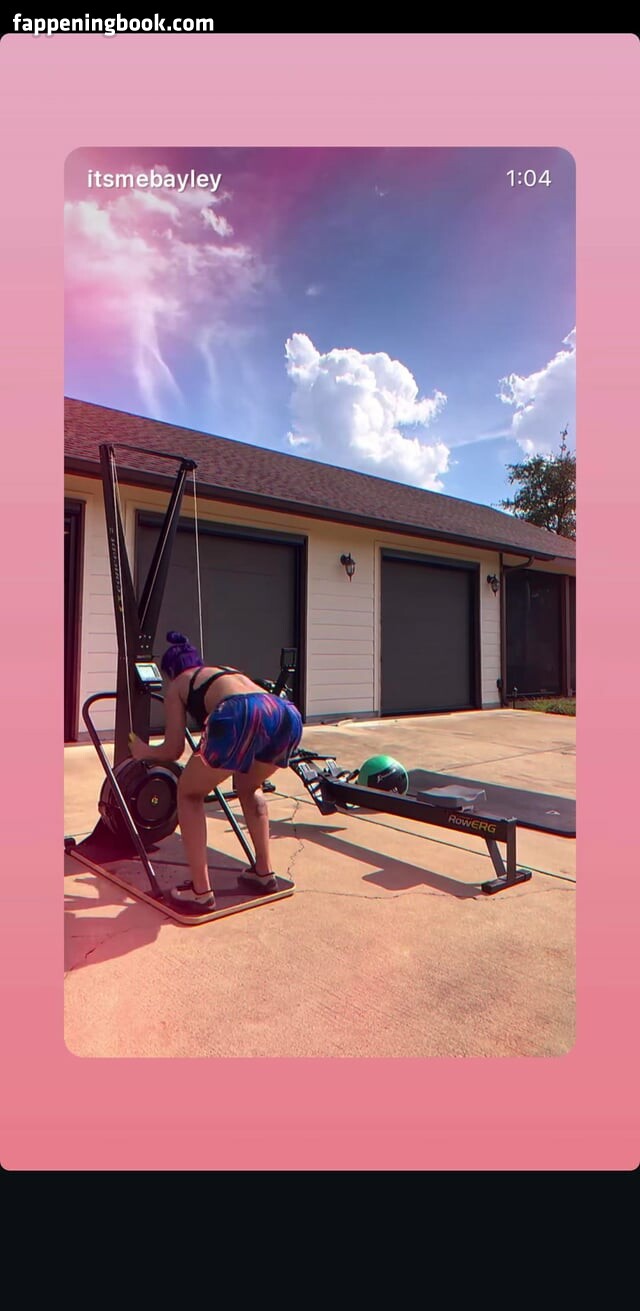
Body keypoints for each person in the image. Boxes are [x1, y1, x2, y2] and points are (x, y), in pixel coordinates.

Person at [128, 631, 303, 912]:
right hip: (284, 712)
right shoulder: (224, 672)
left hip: (240, 712)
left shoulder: (178, 685)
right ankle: (263, 872)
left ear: (170, 672)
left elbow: (173, 750)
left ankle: (200, 891)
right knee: (250, 787)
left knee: (189, 793)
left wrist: (143, 751)